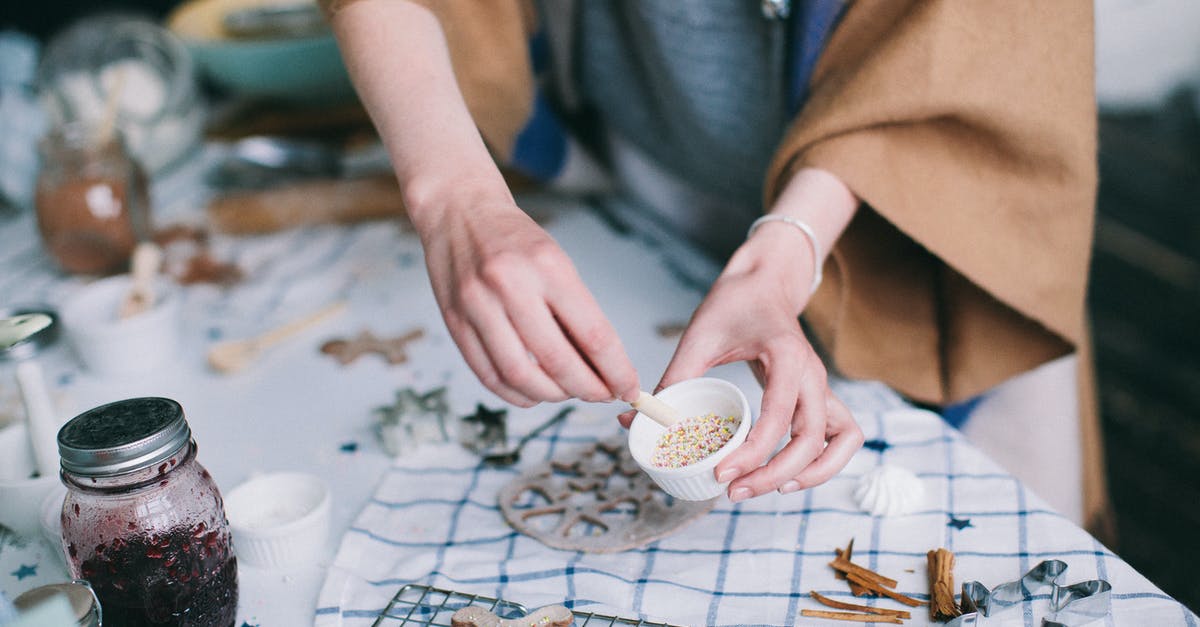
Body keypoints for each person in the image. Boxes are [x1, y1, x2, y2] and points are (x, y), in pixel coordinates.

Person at [321, 0, 1111, 537]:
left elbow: (980, 37)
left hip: (923, 218)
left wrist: (782, 255)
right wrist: (454, 193)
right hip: (642, 178)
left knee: (981, 532)